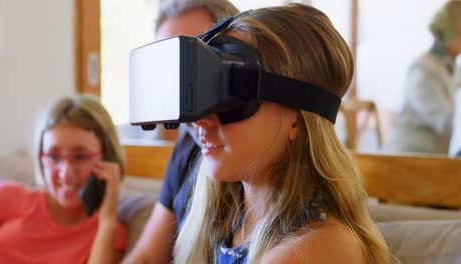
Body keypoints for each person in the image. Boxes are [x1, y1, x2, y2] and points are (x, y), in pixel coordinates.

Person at [171, 4, 391, 263]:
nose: (202, 121)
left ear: (296, 120)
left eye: (230, 98)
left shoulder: (315, 247)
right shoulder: (226, 228)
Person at [122, 0, 239, 263]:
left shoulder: (251, 149)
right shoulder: (187, 148)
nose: (179, 77)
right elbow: (147, 257)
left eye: (191, 59)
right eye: (167, 65)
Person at [0, 94, 126, 263]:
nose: (66, 174)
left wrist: (107, 219)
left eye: (80, 157)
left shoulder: (108, 231)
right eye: (54, 157)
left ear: (106, 159)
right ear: (41, 158)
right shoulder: (7, 196)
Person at [383, 0, 461, 154]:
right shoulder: (423, 69)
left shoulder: (452, 68)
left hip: (432, 160)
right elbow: (445, 122)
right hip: (406, 161)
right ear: (450, 32)